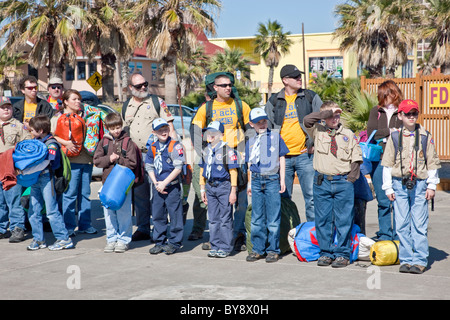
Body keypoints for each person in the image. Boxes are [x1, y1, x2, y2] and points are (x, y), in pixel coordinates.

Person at [190, 72, 251, 251]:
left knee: (239, 199)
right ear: (215, 88)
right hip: (215, 159)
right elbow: (195, 128)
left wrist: (245, 152)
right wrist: (204, 152)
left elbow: (251, 129)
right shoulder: (207, 108)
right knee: (216, 200)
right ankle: (218, 237)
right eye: (223, 85)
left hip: (237, 158)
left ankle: (238, 234)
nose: (228, 88)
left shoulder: (240, 105)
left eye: (230, 85)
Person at [381, 99, 441, 274]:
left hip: (420, 185)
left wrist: (432, 185)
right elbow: (387, 164)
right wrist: (388, 187)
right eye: (407, 114)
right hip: (399, 185)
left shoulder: (425, 136)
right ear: (400, 115)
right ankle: (406, 259)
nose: (411, 117)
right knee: (401, 224)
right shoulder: (393, 137)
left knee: (419, 224)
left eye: (414, 113)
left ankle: (420, 259)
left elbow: (432, 164)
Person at [303, 101, 362, 268]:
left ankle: (342, 253)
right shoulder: (317, 131)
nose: (335, 118)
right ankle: (326, 252)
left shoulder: (348, 134)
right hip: (322, 182)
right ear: (324, 117)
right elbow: (307, 120)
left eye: (337, 114)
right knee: (323, 219)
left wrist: (351, 179)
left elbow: (356, 158)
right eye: (331, 115)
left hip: (343, 182)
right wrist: (326, 113)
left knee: (344, 219)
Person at [264, 64, 323, 222]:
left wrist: (315, 144)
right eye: (295, 77)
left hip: (306, 156)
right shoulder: (274, 101)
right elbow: (266, 128)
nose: (299, 79)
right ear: (285, 80)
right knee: (284, 198)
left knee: (311, 198)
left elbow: (323, 119)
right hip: (283, 158)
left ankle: (314, 237)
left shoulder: (310, 96)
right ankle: (287, 237)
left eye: (300, 76)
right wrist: (272, 153)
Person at [122, 72, 176, 242]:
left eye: (145, 83)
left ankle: (161, 229)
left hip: (157, 156)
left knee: (161, 193)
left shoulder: (156, 102)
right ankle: (143, 228)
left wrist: (174, 154)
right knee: (140, 194)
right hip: (136, 157)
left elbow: (170, 127)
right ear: (131, 88)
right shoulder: (126, 106)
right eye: (139, 86)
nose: (143, 87)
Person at [245, 108, 289, 263]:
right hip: (256, 179)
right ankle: (258, 248)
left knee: (273, 217)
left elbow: (282, 158)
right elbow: (250, 163)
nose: (262, 124)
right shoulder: (250, 140)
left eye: (264, 121)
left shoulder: (275, 137)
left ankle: (273, 249)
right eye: (258, 122)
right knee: (257, 216)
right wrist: (250, 183)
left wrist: (282, 180)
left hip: (272, 179)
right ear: (252, 124)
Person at [52, 89, 97, 237]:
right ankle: (69, 226)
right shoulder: (58, 118)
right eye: (74, 99)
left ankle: (85, 224)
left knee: (85, 194)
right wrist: (66, 142)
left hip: (86, 160)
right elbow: (52, 136)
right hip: (71, 162)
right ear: (65, 101)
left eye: (79, 99)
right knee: (70, 195)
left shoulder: (86, 116)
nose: (78, 102)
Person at [26, 115, 73, 251]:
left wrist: (29, 168)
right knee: (34, 210)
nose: (31, 132)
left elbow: (49, 162)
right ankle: (38, 239)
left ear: (40, 131)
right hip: (36, 179)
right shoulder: (36, 141)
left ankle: (63, 238)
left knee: (51, 211)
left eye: (32, 130)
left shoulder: (51, 144)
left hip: (47, 178)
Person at [93, 112, 137, 253]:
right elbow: (97, 161)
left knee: (123, 213)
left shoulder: (128, 142)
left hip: (123, 184)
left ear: (121, 126)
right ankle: (111, 239)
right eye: (113, 128)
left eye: (118, 127)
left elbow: (133, 163)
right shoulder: (104, 142)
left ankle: (123, 240)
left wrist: (119, 159)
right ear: (107, 129)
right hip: (107, 183)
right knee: (109, 213)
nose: (116, 131)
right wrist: (109, 159)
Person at [367, 80, 403, 241]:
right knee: (382, 201)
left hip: (399, 160)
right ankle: (385, 234)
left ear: (394, 93)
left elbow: (408, 132)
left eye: (387, 94)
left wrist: (388, 134)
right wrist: (390, 131)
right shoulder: (376, 111)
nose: (385, 97)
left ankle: (398, 234)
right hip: (380, 160)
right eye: (383, 94)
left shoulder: (403, 111)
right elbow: (372, 134)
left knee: (399, 200)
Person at [199, 121, 239, 258]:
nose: (210, 135)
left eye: (214, 133)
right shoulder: (205, 151)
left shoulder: (228, 151)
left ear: (221, 135)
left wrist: (233, 191)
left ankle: (226, 246)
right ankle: (215, 245)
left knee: (225, 218)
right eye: (208, 132)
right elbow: (202, 170)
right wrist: (202, 189)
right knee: (213, 218)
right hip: (210, 186)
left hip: (224, 186)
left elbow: (233, 171)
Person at [146, 118, 185, 255]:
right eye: (160, 129)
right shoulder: (152, 146)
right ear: (154, 132)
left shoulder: (175, 145)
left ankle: (174, 242)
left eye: (165, 128)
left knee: (175, 215)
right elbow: (149, 166)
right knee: (157, 215)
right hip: (157, 186)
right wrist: (156, 182)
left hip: (171, 186)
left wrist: (164, 183)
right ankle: (159, 241)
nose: (163, 131)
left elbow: (178, 168)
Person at [0, 97, 32, 242]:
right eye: (3, 107)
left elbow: (27, 148)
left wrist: (20, 167)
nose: (6, 109)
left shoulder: (19, 126)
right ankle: (1, 228)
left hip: (11, 168)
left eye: (8, 107)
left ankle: (17, 228)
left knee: (14, 199)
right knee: (0, 201)